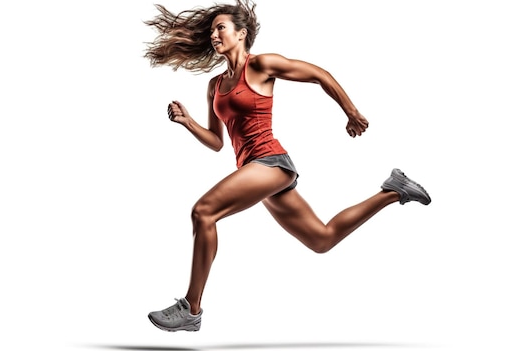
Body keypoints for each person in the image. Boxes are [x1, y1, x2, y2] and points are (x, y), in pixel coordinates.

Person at [143, 0, 431, 332]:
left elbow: (319, 75)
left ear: (242, 33)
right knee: (322, 239)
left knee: (203, 211)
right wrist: (188, 122)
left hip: (271, 163)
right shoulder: (215, 86)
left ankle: (191, 309)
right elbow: (218, 141)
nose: (213, 34)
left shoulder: (262, 65)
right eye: (211, 30)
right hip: (254, 171)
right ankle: (394, 190)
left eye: (220, 28)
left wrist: (350, 112)